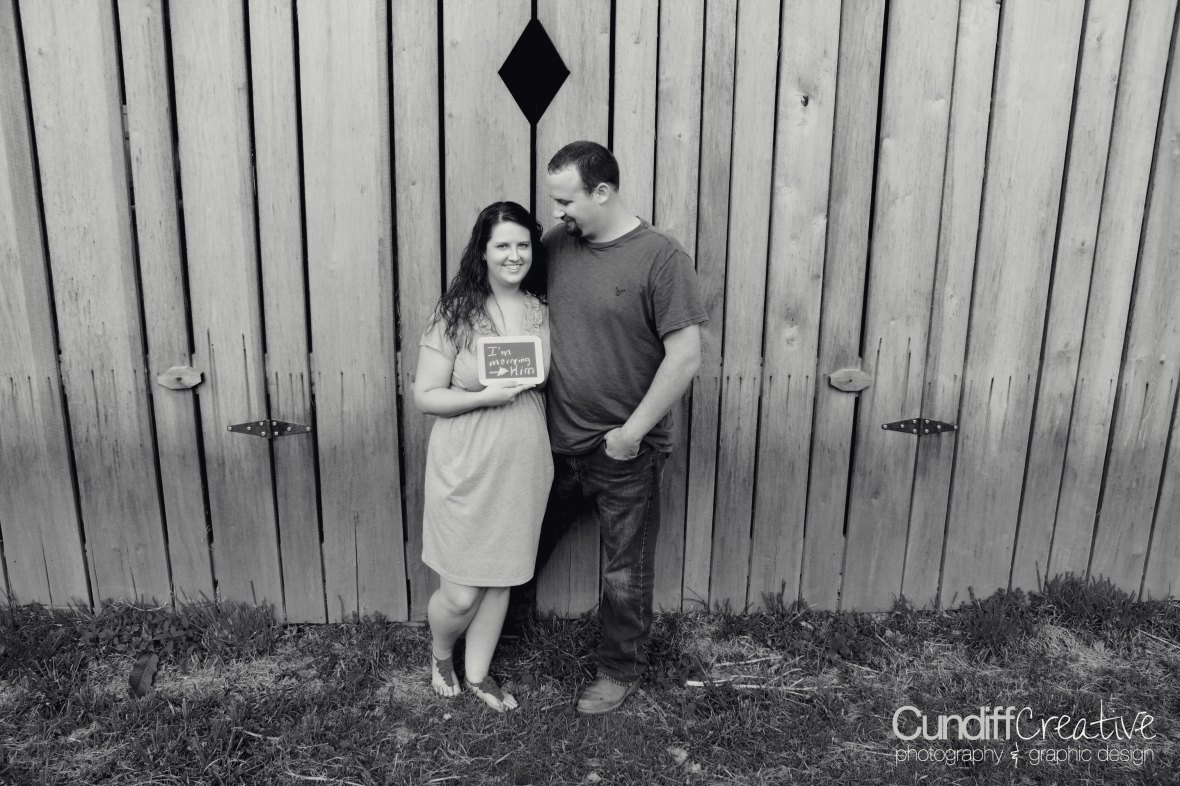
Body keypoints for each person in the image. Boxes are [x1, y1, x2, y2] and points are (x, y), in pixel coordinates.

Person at [541, 141, 706, 715]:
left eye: (566, 201)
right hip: (554, 442)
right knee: (518, 542)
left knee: (624, 570)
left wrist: (630, 435)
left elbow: (685, 356)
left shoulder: (661, 257)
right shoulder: (556, 245)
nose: (557, 212)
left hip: (624, 450)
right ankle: (500, 638)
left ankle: (620, 669)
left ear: (603, 191)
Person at [413, 201, 552, 712]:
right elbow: (425, 396)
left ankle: (477, 673)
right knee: (461, 593)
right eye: (503, 245)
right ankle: (441, 654)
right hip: (465, 464)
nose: (514, 255)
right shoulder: (455, 313)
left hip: (523, 463)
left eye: (522, 245)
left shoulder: (542, 311)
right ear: (484, 251)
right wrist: (482, 397)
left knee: (502, 578)